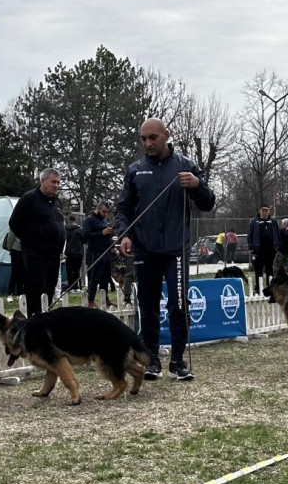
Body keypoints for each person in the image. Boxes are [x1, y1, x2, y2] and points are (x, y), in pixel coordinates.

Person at [115, 118, 215, 381]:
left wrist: (197, 185)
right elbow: (123, 208)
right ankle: (151, 361)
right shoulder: (135, 170)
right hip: (144, 250)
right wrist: (124, 235)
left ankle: (179, 361)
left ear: (166, 135)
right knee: (147, 305)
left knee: (178, 304)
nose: (148, 143)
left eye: (153, 138)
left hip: (175, 250)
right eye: (143, 139)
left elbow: (208, 203)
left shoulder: (186, 167)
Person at [9, 168, 65, 312]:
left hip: (54, 256)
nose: (57, 185)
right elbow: (14, 223)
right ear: (43, 181)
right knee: (36, 289)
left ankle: (47, 320)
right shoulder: (29, 199)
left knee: (49, 291)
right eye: (53, 182)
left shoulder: (56, 201)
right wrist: (31, 241)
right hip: (36, 254)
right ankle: (34, 320)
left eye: (58, 182)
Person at [83, 201, 117, 306]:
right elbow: (85, 236)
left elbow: (108, 237)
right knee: (95, 278)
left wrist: (114, 247)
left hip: (106, 252)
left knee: (106, 278)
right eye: (103, 212)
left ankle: (105, 299)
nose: (105, 214)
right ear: (97, 209)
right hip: (95, 253)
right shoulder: (89, 220)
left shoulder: (105, 220)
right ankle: (91, 300)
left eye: (107, 212)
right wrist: (101, 233)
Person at [247, 205, 280, 295]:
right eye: (263, 210)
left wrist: (277, 245)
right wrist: (251, 247)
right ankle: (258, 288)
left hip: (271, 250)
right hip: (258, 250)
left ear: (269, 211)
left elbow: (277, 233)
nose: (265, 212)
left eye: (266, 210)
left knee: (270, 270)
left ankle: (270, 288)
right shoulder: (254, 222)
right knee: (258, 270)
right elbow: (250, 234)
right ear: (260, 211)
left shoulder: (273, 221)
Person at [63, 213, 84, 292]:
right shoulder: (79, 229)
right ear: (75, 220)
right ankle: (76, 287)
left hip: (68, 252)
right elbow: (84, 240)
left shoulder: (65, 229)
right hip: (78, 252)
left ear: (68, 220)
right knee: (76, 270)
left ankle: (70, 286)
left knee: (69, 270)